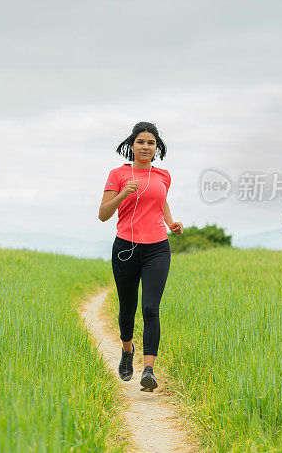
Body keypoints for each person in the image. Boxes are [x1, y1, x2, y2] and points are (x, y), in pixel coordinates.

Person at [98, 121, 184, 391]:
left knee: (150, 308)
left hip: (157, 247)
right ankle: (127, 350)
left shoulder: (164, 176)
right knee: (127, 308)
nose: (146, 147)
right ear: (131, 145)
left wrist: (170, 223)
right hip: (125, 247)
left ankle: (149, 369)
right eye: (141, 142)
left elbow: (160, 201)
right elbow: (103, 214)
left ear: (156, 148)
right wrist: (124, 192)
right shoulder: (117, 174)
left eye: (151, 143)